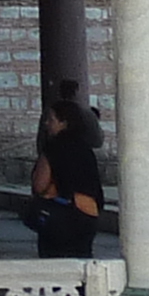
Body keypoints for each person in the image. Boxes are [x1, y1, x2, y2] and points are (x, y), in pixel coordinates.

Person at [29, 80, 105, 260]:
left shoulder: (54, 147)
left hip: (60, 216)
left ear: (64, 123)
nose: (48, 124)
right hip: (89, 213)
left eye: (52, 120)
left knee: (56, 265)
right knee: (81, 261)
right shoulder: (84, 147)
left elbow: (40, 185)